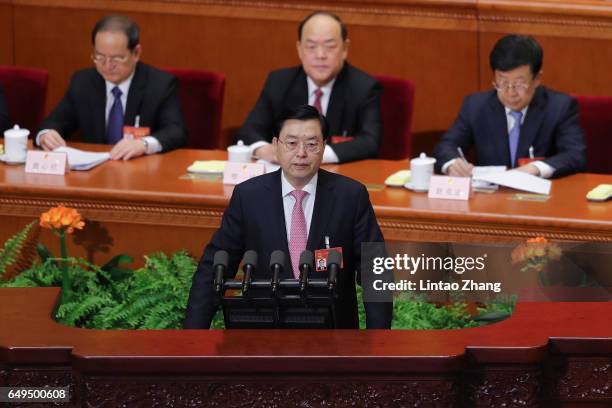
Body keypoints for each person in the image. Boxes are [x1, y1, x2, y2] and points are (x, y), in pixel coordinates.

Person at [184, 105, 392, 329]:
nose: (301, 153)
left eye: (312, 144)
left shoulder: (350, 196)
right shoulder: (248, 196)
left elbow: (376, 270)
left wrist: (376, 343)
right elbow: (213, 267)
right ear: (275, 146)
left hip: (333, 338)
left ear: (323, 147)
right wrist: (192, 339)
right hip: (263, 336)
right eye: (291, 143)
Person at [236, 11, 382, 164]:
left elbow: (370, 142)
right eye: (311, 46)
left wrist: (314, 155)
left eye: (330, 46)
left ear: (345, 49)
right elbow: (249, 130)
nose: (320, 54)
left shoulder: (364, 88)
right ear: (299, 49)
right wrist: (265, 150)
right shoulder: (279, 82)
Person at [433, 34, 586, 178]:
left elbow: (575, 155)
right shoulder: (476, 106)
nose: (511, 92)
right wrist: (452, 163)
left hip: (539, 200)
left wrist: (536, 168)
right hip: (490, 200)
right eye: (503, 82)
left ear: (537, 79)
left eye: (519, 83)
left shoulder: (559, 107)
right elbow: (446, 146)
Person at [36, 15, 186, 160]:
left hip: (139, 172)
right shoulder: (83, 82)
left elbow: (176, 131)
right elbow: (54, 122)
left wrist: (144, 144)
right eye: (99, 57)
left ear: (136, 53)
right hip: (94, 173)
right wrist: (46, 134)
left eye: (117, 58)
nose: (107, 66)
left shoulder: (160, 84)